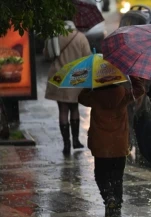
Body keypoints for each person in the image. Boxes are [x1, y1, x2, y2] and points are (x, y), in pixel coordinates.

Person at [78, 77, 145, 217]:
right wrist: (133, 76)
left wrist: (90, 84)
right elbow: (140, 90)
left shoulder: (94, 96)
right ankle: (116, 203)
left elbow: (81, 98)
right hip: (119, 144)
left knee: (101, 175)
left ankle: (109, 196)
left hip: (101, 145)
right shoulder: (124, 94)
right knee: (117, 177)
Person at [44, 20, 91, 155]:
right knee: (74, 108)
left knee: (63, 110)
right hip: (76, 77)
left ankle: (66, 144)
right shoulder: (80, 37)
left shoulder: (54, 36)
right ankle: (76, 140)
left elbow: (47, 55)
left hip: (58, 76)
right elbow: (87, 57)